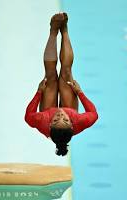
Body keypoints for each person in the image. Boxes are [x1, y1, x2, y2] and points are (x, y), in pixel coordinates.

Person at [25, 12, 98, 156]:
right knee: (66, 73)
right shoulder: (79, 122)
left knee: (50, 76)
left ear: (50, 123)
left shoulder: (42, 121)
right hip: (71, 111)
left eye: (56, 118)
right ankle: (64, 29)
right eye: (64, 119)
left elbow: (28, 116)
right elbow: (93, 114)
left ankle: (53, 30)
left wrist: (39, 92)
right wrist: (80, 93)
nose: (60, 114)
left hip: (47, 110)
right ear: (71, 124)